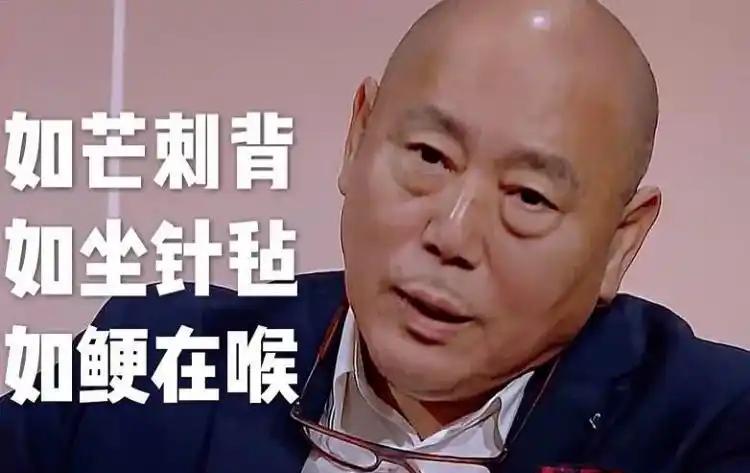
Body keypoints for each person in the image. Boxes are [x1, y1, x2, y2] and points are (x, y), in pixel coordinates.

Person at [2, 0, 749, 472]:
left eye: (528, 196)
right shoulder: (152, 362)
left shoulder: (713, 429)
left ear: (620, 241)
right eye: (429, 157)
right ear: (358, 136)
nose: (451, 235)